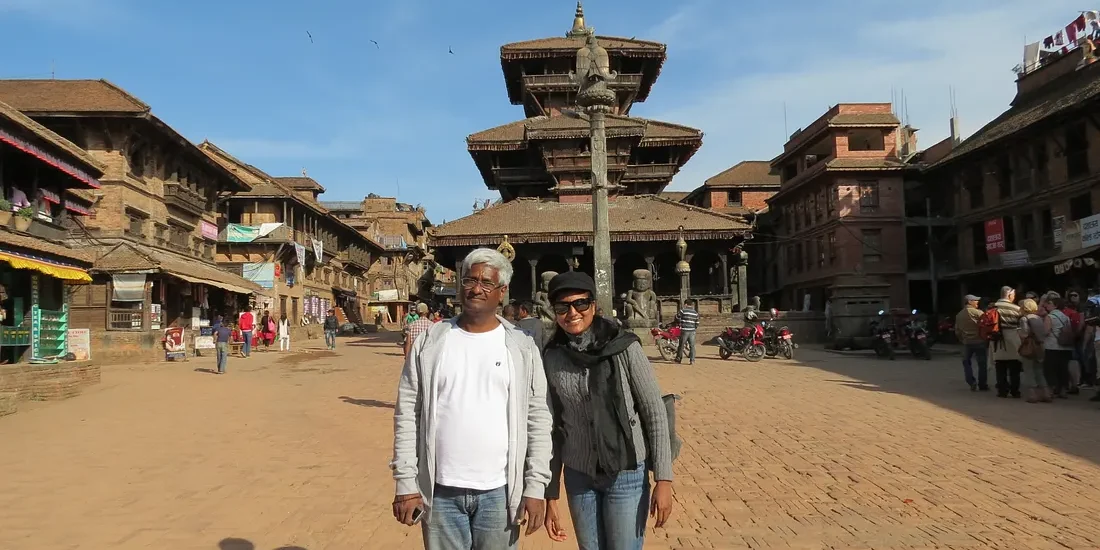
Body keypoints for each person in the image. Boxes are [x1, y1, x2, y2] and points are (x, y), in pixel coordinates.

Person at [391, 248, 551, 549]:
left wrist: (536, 485)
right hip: (440, 490)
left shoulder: (522, 348)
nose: (476, 289)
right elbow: (408, 414)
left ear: (502, 291)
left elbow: (538, 419)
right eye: (469, 280)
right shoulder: (430, 343)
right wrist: (405, 482)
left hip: (500, 491)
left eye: (487, 283)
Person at [540, 271, 673, 549]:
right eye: (563, 307)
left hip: (626, 472)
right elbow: (553, 428)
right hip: (579, 474)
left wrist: (663, 479)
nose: (572, 313)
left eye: (580, 303)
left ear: (594, 305)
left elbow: (654, 412)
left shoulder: (624, 347)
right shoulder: (552, 357)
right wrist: (551, 493)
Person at [990, 286, 1023, 398]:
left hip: (996, 340)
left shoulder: (993, 307)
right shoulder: (1016, 308)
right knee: (1014, 367)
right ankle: (1015, 391)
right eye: (1013, 295)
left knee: (1000, 367)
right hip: (1013, 339)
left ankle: (1002, 391)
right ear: (1009, 295)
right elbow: (1020, 324)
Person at [1041, 295, 1075, 399]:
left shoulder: (1050, 317)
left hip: (1052, 346)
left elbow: (1046, 332)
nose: (1047, 305)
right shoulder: (1065, 317)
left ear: (1055, 305)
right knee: (1063, 369)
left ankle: (1050, 391)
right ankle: (1063, 390)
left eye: (1050, 303)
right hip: (1066, 347)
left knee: (1050, 369)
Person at [1018, 299, 1051, 403]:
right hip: (1040, 346)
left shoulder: (1024, 319)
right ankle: (1046, 393)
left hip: (1029, 347)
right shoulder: (1039, 318)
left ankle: (1032, 395)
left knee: (1029, 371)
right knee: (1039, 371)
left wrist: (1019, 334)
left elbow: (1024, 334)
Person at [955, 294, 989, 391]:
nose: (977, 302)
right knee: (982, 364)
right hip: (979, 341)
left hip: (966, 342)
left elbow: (957, 331)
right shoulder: (979, 313)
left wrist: (962, 339)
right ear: (970, 302)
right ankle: (982, 384)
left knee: (966, 363)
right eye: (975, 300)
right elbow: (986, 325)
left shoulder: (959, 315)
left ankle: (971, 382)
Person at [675, 300, 700, 365]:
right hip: (692, 331)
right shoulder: (695, 313)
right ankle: (692, 360)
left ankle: (678, 359)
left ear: (686, 304)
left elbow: (677, 317)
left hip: (684, 330)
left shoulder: (683, 311)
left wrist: (680, 323)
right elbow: (697, 323)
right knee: (692, 346)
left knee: (681, 345)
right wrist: (693, 328)